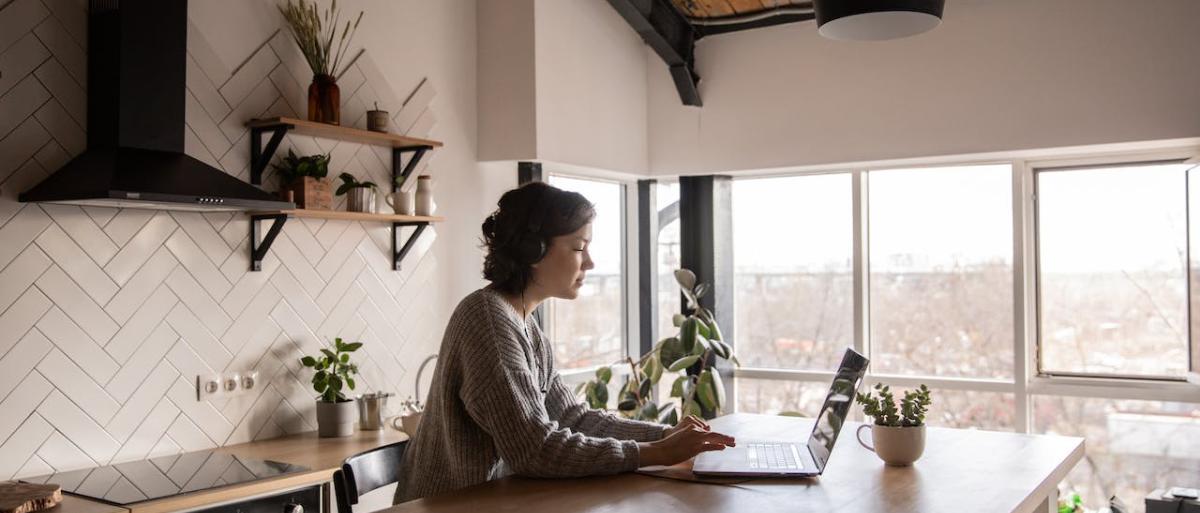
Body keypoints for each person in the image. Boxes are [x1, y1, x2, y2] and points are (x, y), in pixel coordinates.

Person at [394, 181, 736, 503]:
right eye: (579, 247)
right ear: (533, 250)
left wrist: (665, 435)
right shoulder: (488, 322)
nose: (590, 262)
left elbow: (572, 418)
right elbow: (534, 449)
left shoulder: (523, 324)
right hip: (447, 507)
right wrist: (655, 453)